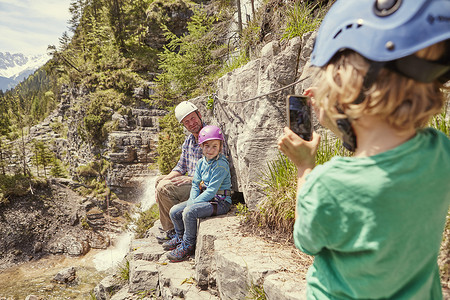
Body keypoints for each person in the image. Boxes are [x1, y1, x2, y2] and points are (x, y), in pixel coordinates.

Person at [278, 0, 450, 299]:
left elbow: (306, 241)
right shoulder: (439, 152)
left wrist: (305, 166)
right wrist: (341, 115)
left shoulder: (328, 184)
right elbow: (378, 150)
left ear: (344, 80)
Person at [155, 102, 227, 243]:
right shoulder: (188, 141)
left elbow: (216, 169)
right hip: (192, 181)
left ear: (199, 115)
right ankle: (170, 229)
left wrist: (192, 179)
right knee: (159, 181)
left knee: (164, 188)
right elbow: (180, 167)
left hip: (204, 185)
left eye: (193, 118)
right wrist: (162, 180)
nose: (191, 123)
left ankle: (176, 231)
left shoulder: (210, 136)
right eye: (186, 122)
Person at [162, 125, 232, 262]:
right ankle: (180, 237)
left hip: (220, 201)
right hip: (206, 198)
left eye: (214, 146)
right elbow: (195, 184)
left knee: (189, 212)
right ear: (201, 146)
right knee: (174, 211)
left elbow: (212, 190)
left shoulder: (220, 165)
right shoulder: (201, 162)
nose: (210, 150)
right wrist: (192, 200)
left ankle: (188, 245)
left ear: (220, 147)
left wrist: (193, 205)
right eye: (207, 146)